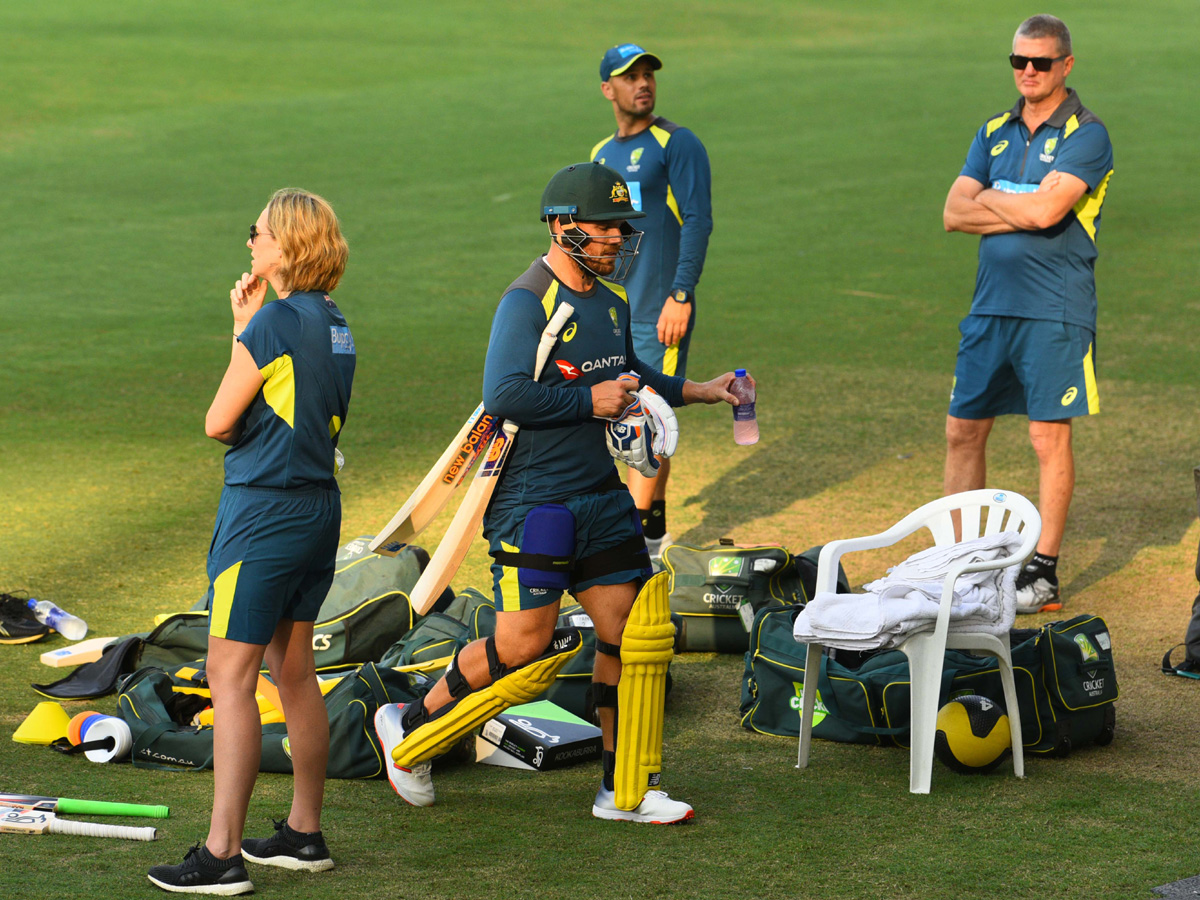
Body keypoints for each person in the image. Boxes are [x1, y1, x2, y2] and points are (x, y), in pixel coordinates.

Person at [374, 162, 744, 824]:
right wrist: (588, 401)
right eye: (607, 228)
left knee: (629, 635)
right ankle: (408, 723)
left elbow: (627, 373)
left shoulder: (612, 300)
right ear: (563, 225)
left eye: (621, 230)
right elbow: (505, 394)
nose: (618, 241)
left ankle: (622, 786)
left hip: (601, 498)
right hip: (533, 504)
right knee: (522, 647)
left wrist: (700, 390)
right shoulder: (527, 301)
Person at [149, 189, 353, 894]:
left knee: (228, 680)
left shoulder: (273, 325)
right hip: (317, 512)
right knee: (294, 675)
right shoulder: (334, 323)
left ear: (288, 245)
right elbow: (277, 406)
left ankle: (221, 854)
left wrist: (245, 330)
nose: (250, 244)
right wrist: (247, 327)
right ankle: (302, 833)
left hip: (262, 517)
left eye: (257, 233)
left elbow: (219, 421)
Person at [941, 15, 1113, 614]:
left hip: (1055, 310)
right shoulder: (993, 130)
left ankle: (1042, 570)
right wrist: (1019, 199)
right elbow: (952, 213)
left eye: (1041, 62)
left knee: (1046, 437)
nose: (1029, 73)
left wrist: (992, 196)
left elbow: (1047, 215)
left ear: (1066, 64)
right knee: (963, 430)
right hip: (990, 307)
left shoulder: (1087, 135)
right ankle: (962, 565)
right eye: (1019, 62)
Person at [590, 43, 713, 559]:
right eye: (630, 76)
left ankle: (631, 551)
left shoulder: (676, 144)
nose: (643, 83)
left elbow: (698, 220)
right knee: (632, 422)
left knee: (644, 423)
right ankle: (653, 537)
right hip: (613, 312)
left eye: (648, 75)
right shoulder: (600, 155)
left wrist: (680, 295)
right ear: (608, 89)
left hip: (658, 311)